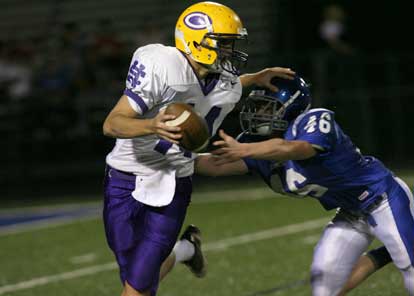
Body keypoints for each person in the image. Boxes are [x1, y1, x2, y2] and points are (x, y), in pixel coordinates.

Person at [101, 2, 295, 296]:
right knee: (133, 275)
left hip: (174, 184)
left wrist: (254, 78)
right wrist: (152, 125)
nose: (230, 52)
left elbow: (214, 88)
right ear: (196, 40)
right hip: (124, 179)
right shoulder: (162, 66)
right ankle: (184, 250)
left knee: (137, 288)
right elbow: (112, 124)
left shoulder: (228, 86)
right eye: (224, 44)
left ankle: (179, 251)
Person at [195, 75, 414, 295]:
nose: (258, 113)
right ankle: (386, 253)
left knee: (411, 272)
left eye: (266, 107)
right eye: (256, 106)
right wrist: (170, 156)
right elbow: (215, 165)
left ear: (290, 106)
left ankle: (397, 249)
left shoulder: (314, 120)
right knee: (324, 283)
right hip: (350, 212)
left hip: (382, 198)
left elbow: (298, 149)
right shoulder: (254, 144)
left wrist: (247, 150)